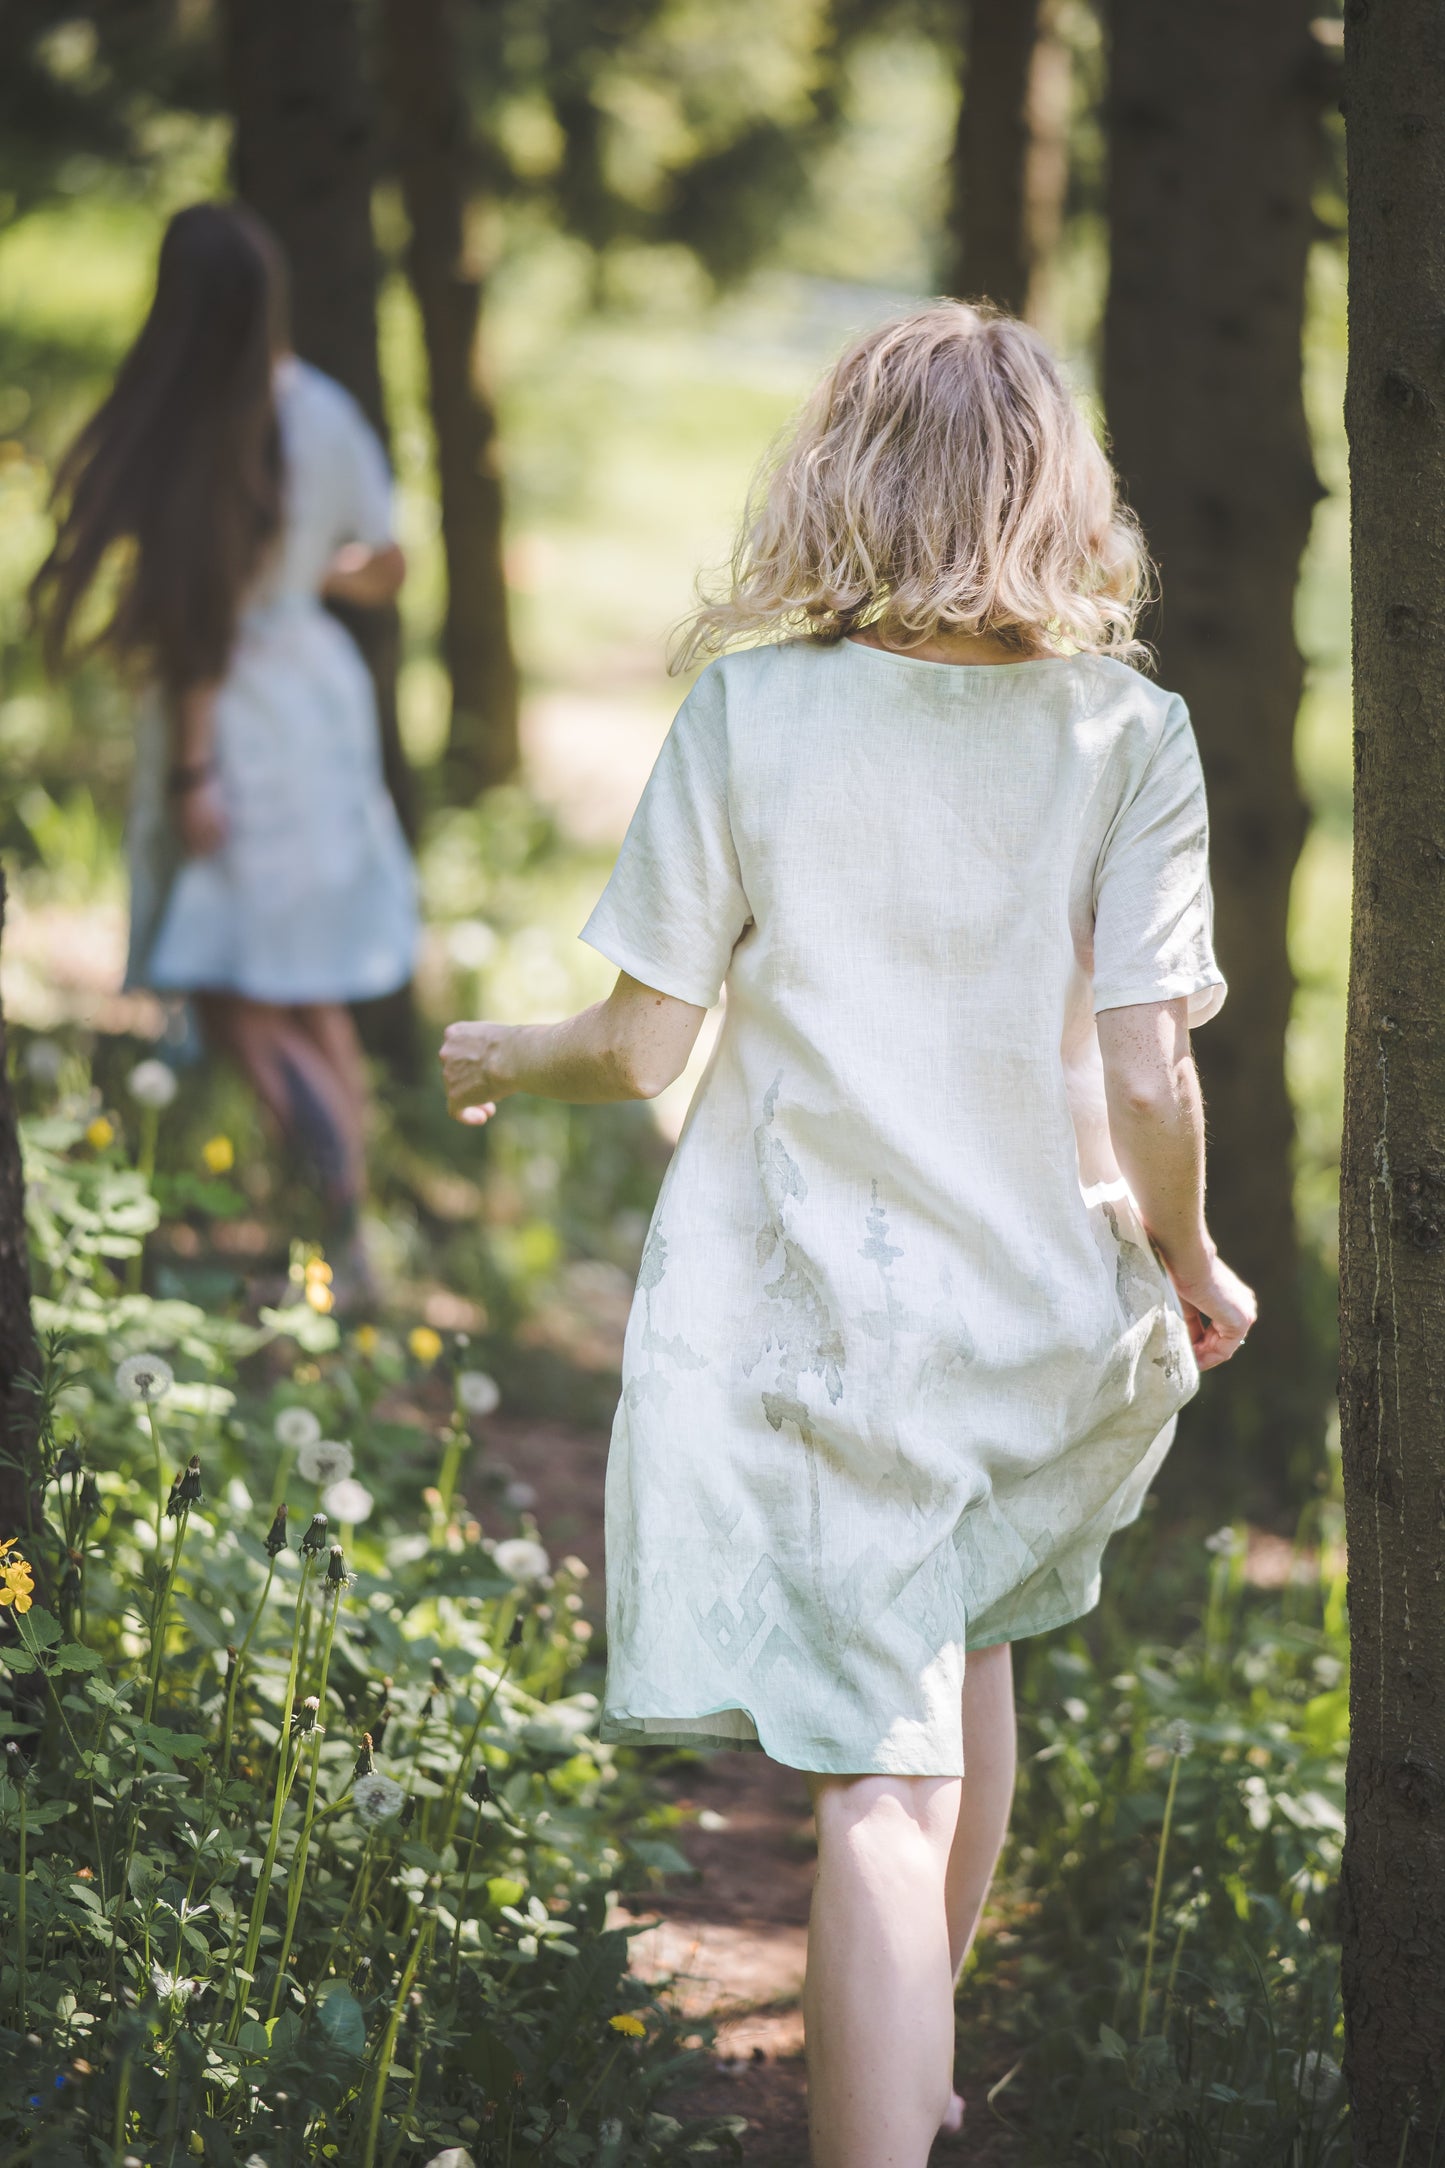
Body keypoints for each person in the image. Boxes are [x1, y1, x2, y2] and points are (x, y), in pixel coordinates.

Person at [439, 303, 1256, 2166]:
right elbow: (1151, 1069)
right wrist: (1192, 1256)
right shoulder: (1133, 732)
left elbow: (644, 1042)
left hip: (825, 1317)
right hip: (1045, 1301)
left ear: (841, 480)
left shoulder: (753, 711)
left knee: (878, 1786)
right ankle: (924, 2063)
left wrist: (507, 1054)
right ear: (1066, 497)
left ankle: (882, 2112)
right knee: (971, 1660)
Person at [31, 202, 417, 1288]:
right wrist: (298, 573)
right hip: (319, 699)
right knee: (307, 988)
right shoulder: (324, 412)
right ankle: (361, 1235)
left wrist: (193, 770)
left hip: (236, 721)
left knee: (233, 989)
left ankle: (339, 1225)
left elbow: (197, 634)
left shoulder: (202, 421)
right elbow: (386, 565)